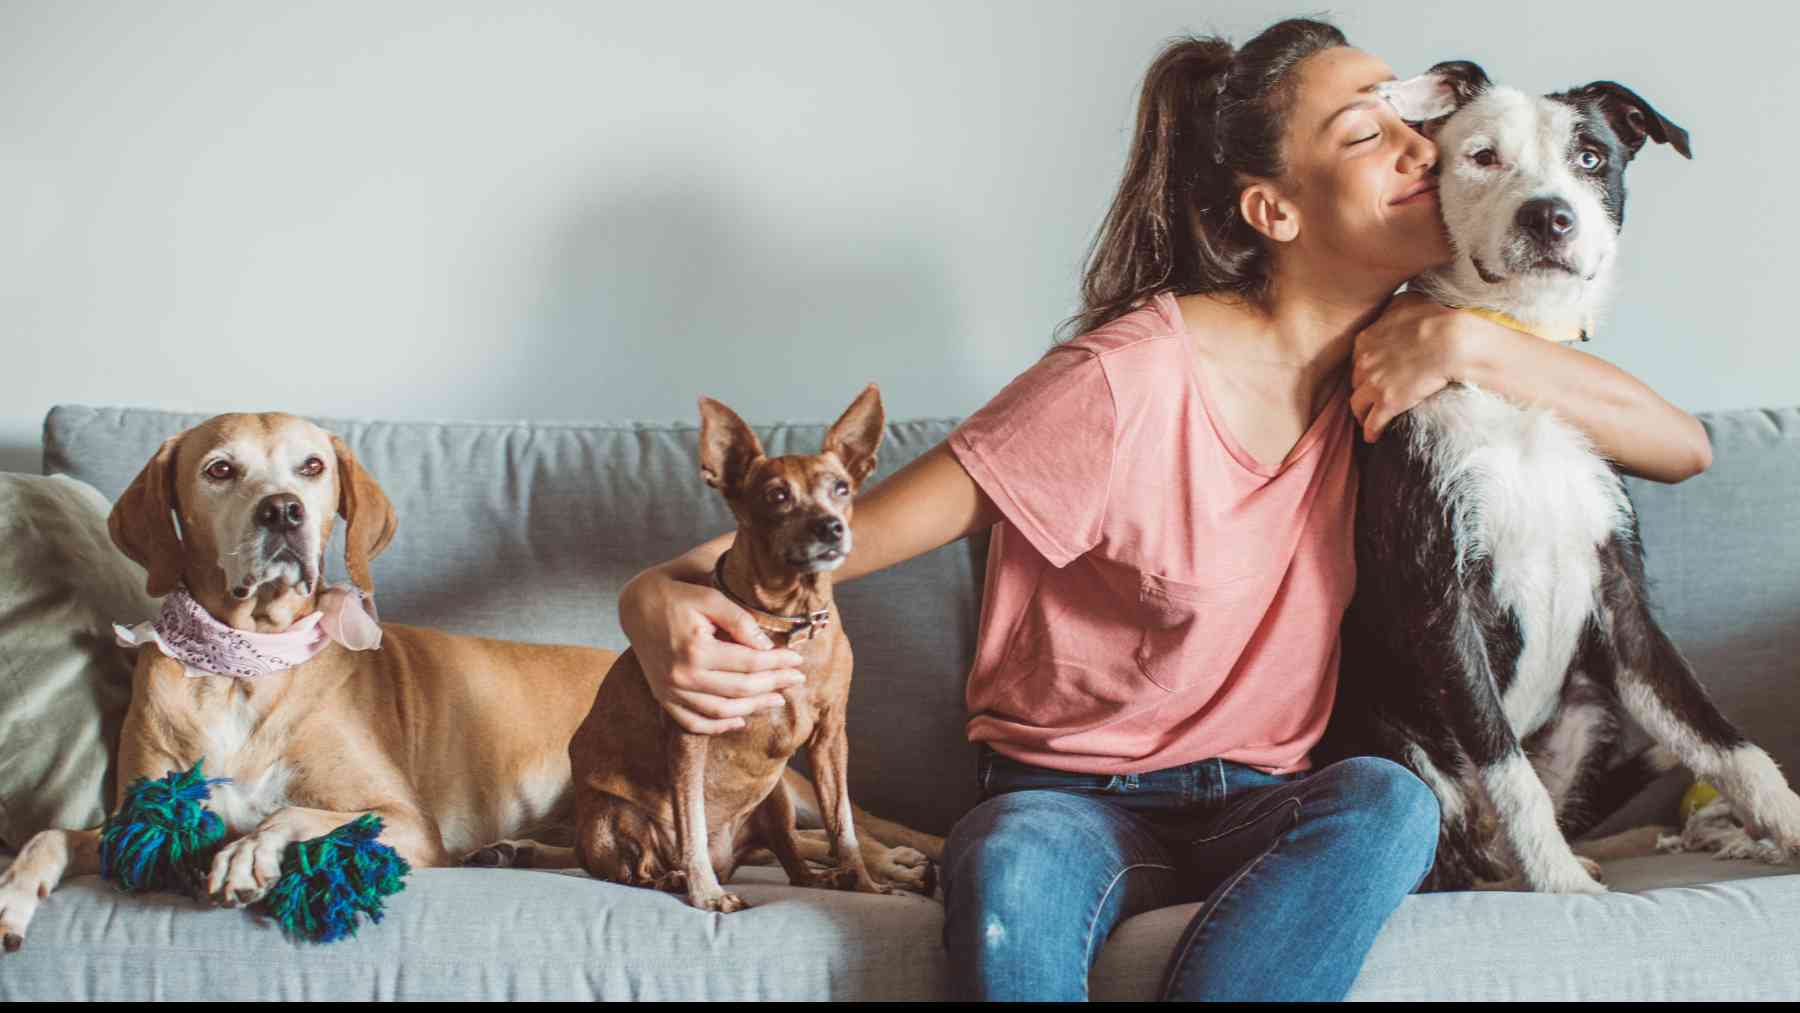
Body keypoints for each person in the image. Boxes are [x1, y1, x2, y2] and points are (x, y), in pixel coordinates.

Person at [611, 17, 1711, 1002]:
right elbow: (833, 543)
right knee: (1012, 874)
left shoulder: (1417, 356)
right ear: (1272, 208)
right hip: (1072, 795)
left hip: (1272, 795)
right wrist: (650, 594)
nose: (1421, 145)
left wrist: (1471, 338)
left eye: (1413, 118)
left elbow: (1683, 445)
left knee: (1390, 803)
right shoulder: (1122, 380)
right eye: (1368, 131)